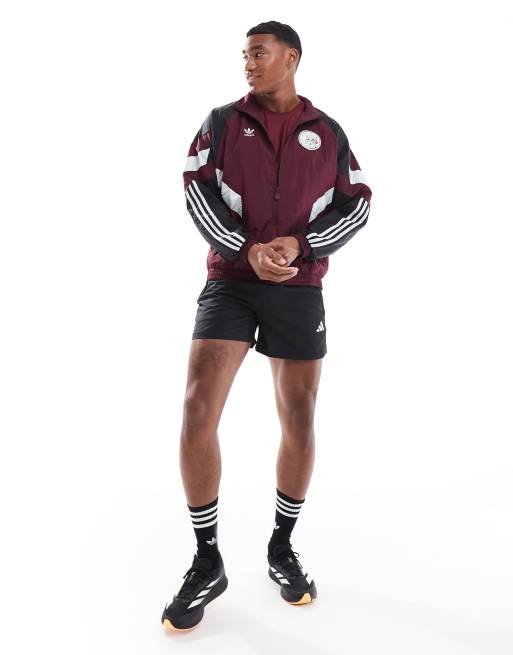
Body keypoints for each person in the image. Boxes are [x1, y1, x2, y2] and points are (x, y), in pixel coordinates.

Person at [161, 20, 372, 631]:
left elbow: (358, 200)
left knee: (299, 415)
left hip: (299, 289)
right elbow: (195, 188)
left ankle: (282, 546)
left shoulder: (326, 131)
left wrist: (301, 246)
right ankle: (207, 559)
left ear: (291, 58)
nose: (249, 63)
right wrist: (245, 249)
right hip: (230, 282)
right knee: (197, 405)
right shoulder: (223, 122)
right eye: (245, 55)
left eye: (259, 53)